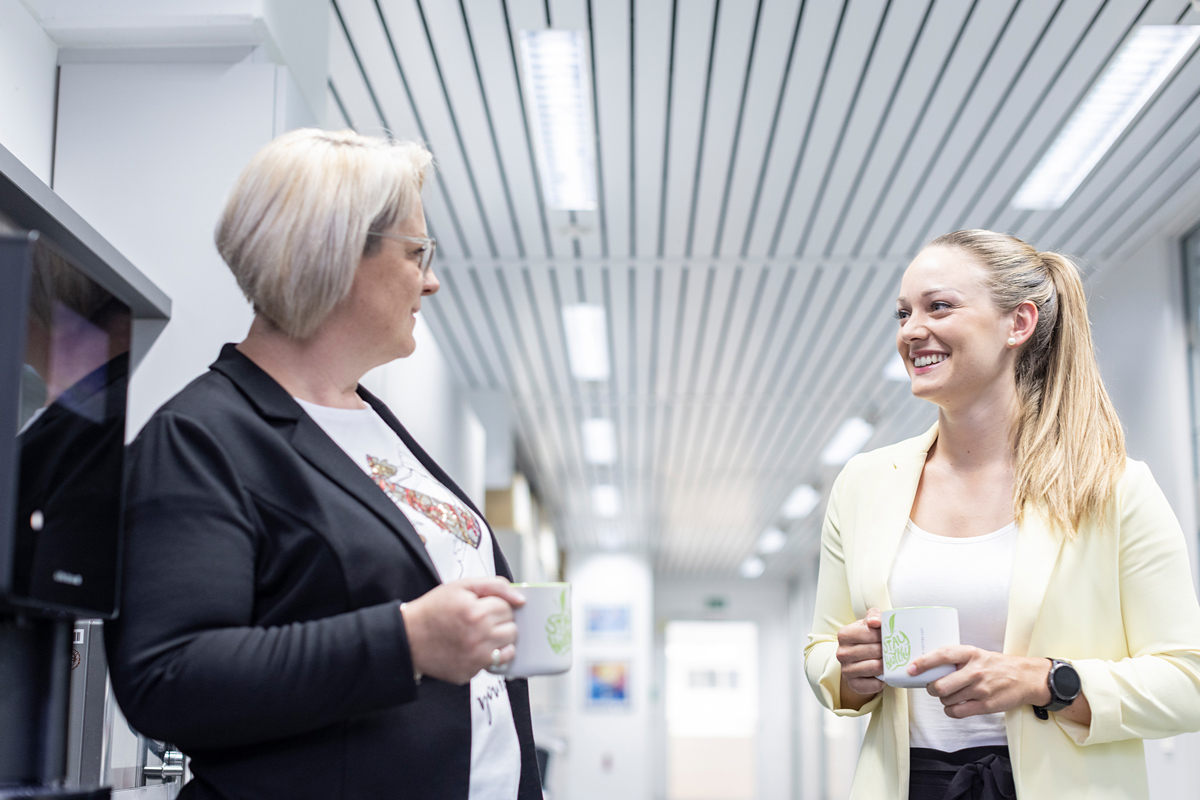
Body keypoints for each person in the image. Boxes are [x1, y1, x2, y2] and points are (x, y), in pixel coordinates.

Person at [105, 128, 542, 800]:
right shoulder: (201, 439)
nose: (430, 281)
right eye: (416, 251)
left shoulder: (369, 422)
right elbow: (168, 677)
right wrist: (406, 642)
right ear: (333, 256)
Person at [804, 230, 1200, 799]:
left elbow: (1187, 682)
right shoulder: (865, 485)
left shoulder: (1113, 487)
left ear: (1018, 324)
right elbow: (823, 650)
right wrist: (851, 672)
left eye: (938, 306)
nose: (912, 330)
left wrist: (1045, 680)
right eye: (902, 312)